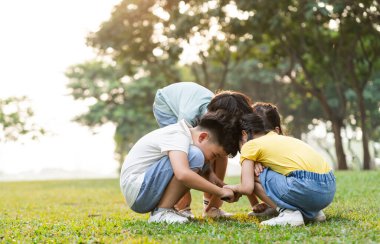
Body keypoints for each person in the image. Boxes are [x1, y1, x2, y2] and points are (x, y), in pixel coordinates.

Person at [120, 110, 242, 224]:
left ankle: (167, 209)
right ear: (203, 137)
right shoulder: (178, 135)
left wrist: (223, 186)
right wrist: (220, 192)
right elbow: (182, 174)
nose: (213, 160)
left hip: (144, 189)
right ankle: (161, 213)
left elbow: (203, 173)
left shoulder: (187, 136)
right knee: (196, 155)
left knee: (198, 157)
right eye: (214, 155)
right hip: (138, 190)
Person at [153, 81, 253, 218]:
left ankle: (211, 207)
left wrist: (216, 181)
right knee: (185, 155)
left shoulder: (221, 119)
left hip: (190, 102)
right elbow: (185, 152)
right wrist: (215, 183)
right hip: (166, 104)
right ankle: (182, 207)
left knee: (219, 151)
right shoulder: (189, 116)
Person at [225, 110, 336, 226]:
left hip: (306, 187)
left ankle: (289, 214)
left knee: (253, 173)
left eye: (239, 145)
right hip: (328, 189)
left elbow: (247, 187)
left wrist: (233, 187)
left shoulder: (249, 145)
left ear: (244, 135)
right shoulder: (279, 138)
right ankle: (314, 213)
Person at [246, 102, 283, 217]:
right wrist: (256, 204)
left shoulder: (283, 148)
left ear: (276, 131)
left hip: (291, 190)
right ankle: (270, 206)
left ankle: (283, 208)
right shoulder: (253, 150)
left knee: (250, 174)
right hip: (282, 191)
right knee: (248, 170)